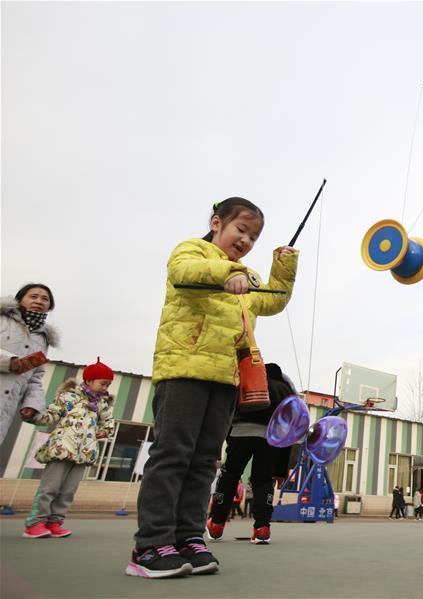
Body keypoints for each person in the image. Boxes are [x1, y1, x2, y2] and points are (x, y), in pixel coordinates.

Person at [127, 197, 297, 579]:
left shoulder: (245, 275)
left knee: (205, 461)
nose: (247, 241)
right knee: (173, 454)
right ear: (217, 222)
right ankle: (150, 545)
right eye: (242, 230)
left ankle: (189, 538)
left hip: (226, 378)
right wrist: (224, 274)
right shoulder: (193, 250)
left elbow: (272, 301)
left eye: (254, 237)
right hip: (184, 369)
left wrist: (283, 266)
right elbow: (183, 272)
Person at [22, 358, 115, 538]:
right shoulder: (69, 396)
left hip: (84, 452)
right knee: (49, 488)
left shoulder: (102, 404)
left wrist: (104, 431)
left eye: (108, 384)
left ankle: (55, 521)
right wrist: (32, 415)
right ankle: (36, 522)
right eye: (103, 383)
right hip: (61, 449)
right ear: (88, 380)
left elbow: (108, 423)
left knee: (68, 492)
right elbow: (51, 415)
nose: (105, 388)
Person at [206, 363, 293, 545]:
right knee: (263, 480)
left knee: (230, 474)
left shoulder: (250, 379)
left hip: (240, 433)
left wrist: (228, 439)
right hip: (270, 438)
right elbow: (288, 431)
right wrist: (280, 470)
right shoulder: (286, 391)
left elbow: (228, 410)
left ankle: (216, 523)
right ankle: (262, 528)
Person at [1, 284, 59, 445]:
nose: (39, 301)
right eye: (33, 296)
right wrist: (9, 362)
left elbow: (34, 378)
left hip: (5, 409)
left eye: (45, 299)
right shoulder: (2, 319)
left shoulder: (43, 339)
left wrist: (32, 405)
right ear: (20, 299)